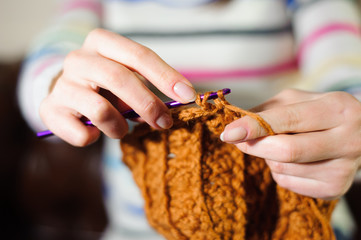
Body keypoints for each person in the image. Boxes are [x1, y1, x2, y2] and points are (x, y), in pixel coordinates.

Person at [18, 0, 361, 239]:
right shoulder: (97, 4)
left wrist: (351, 130)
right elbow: (50, 53)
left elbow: (349, 75)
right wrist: (56, 85)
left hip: (291, 227)